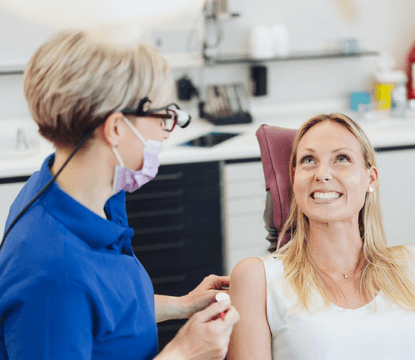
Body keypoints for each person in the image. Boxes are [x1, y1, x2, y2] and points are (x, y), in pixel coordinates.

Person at [0, 29, 238, 360]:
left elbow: (102, 311)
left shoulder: (78, 194)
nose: (165, 133)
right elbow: (71, 302)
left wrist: (182, 305)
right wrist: (184, 353)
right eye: (163, 115)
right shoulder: (51, 274)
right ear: (116, 128)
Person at [228, 113, 415, 359]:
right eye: (308, 160)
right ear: (294, 179)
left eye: (341, 158)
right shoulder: (257, 279)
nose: (322, 174)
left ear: (371, 179)